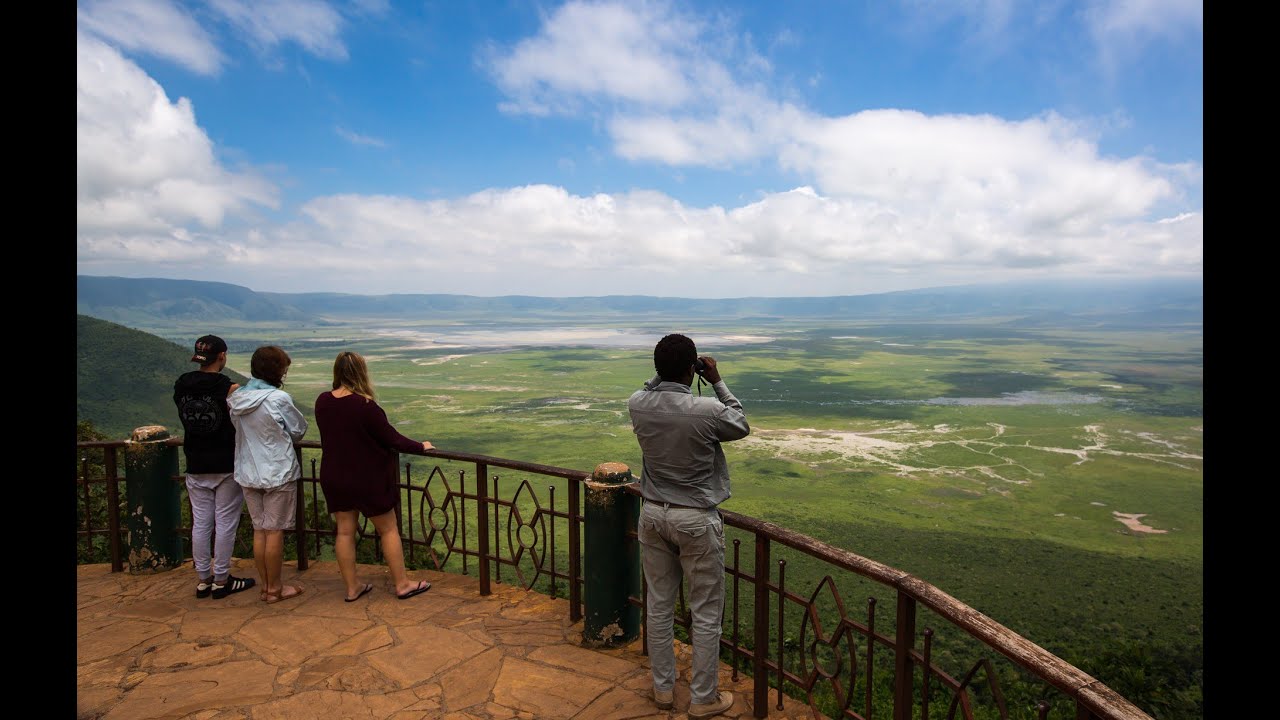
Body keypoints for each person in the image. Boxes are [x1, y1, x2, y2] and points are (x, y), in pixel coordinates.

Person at [627, 333, 750, 718]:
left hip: (652, 514)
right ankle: (703, 698)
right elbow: (740, 423)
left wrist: (662, 376)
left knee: (659, 606)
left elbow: (650, 388)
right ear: (691, 368)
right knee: (706, 612)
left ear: (657, 367)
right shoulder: (708, 410)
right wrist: (715, 379)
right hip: (695, 518)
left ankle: (663, 691)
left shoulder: (638, 404)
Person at [314, 351, 434, 601]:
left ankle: (352, 587)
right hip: (367, 478)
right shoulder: (365, 406)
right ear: (361, 372)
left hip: (334, 476)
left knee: (345, 532)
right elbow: (392, 438)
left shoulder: (323, 401)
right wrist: (420, 446)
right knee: (388, 530)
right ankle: (402, 584)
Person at [173, 334, 256, 600]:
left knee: (201, 523)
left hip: (195, 462)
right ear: (222, 356)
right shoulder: (229, 388)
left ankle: (203, 580)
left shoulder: (182, 385)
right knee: (225, 523)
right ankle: (221, 580)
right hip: (225, 463)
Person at [228, 345, 309, 604]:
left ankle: (265, 587)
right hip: (277, 471)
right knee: (274, 531)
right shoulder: (278, 399)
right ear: (277, 371)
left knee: (259, 530)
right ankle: (275, 589)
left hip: (247, 471)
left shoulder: (237, 399)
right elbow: (298, 430)